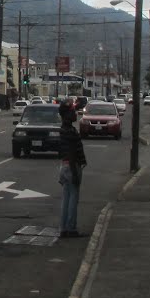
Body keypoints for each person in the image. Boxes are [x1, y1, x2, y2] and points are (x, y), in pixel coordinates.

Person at [58, 98, 87, 238]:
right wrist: (75, 172)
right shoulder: (69, 131)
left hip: (65, 165)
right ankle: (71, 228)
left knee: (67, 197)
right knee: (73, 198)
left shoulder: (65, 129)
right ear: (67, 115)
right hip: (71, 166)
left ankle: (64, 228)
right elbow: (71, 153)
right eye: (72, 111)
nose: (75, 113)